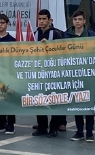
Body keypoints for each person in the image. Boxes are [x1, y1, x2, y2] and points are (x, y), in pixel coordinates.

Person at [65, 10, 95, 142]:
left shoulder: (91, 35)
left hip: (88, 74)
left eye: (79, 19)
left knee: (89, 103)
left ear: (84, 21)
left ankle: (89, 132)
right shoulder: (66, 35)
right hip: (73, 74)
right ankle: (79, 131)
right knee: (77, 103)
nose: (77, 22)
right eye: (75, 19)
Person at [32, 9, 64, 137]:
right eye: (40, 19)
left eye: (44, 19)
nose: (41, 21)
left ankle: (54, 127)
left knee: (54, 100)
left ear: (50, 20)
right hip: (39, 72)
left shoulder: (56, 34)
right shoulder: (34, 34)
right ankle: (42, 126)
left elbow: (61, 51)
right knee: (39, 100)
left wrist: (48, 46)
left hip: (53, 73)